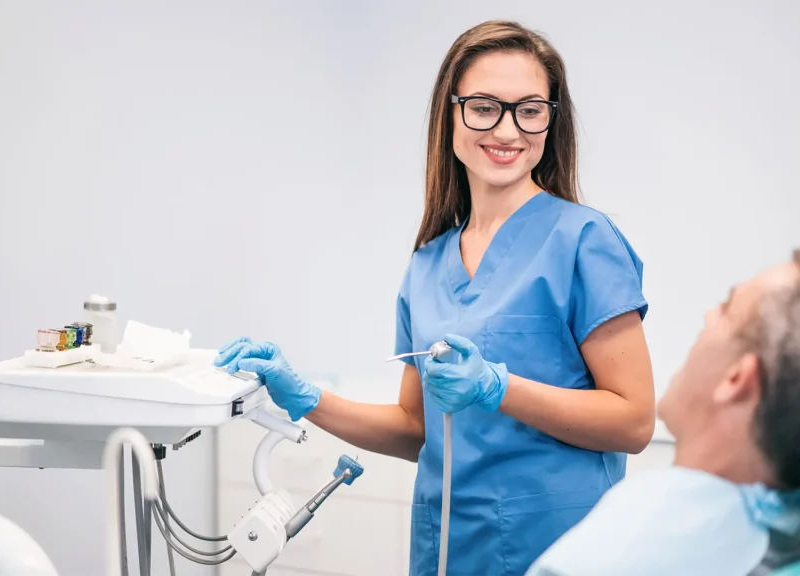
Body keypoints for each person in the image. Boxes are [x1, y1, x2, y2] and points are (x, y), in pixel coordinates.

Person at [214, 19, 656, 576]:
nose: (507, 129)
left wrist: (498, 386)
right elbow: (415, 429)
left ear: (551, 121)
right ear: (450, 113)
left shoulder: (584, 241)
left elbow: (635, 422)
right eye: (484, 106)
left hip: (558, 545)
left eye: (530, 109)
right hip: (448, 545)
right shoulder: (427, 266)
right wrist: (303, 396)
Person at [526, 247, 800, 576]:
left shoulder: (640, 539)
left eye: (727, 309)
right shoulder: (795, 534)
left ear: (736, 380)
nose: (709, 315)